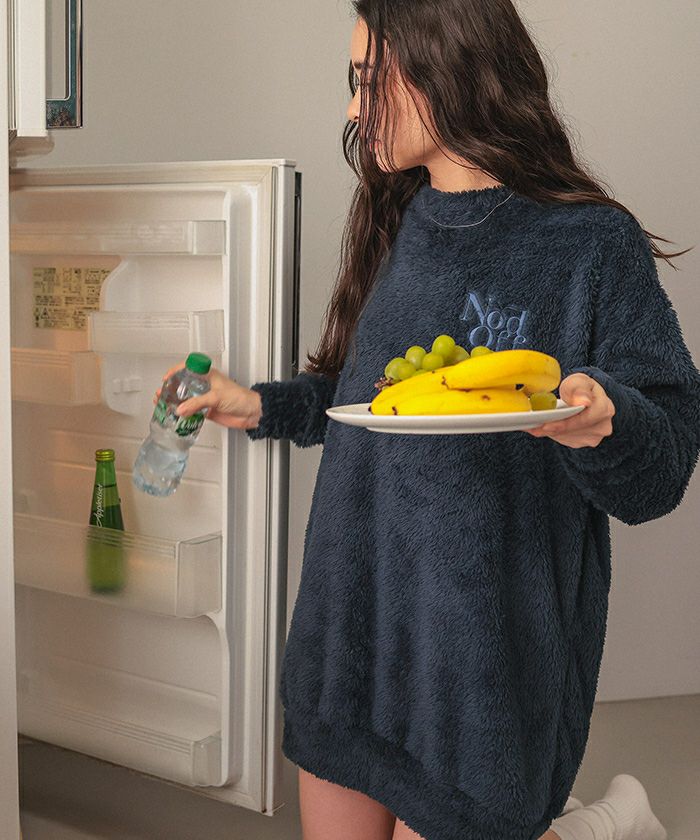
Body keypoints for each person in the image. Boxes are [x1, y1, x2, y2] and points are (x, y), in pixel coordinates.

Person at [157, 2, 699, 838]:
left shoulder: (589, 244)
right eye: (352, 81)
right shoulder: (393, 216)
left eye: (371, 81)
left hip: (479, 676)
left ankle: (605, 825)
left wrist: (606, 421)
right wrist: (258, 404)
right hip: (351, 636)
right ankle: (612, 822)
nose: (352, 107)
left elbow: (662, 469)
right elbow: (371, 398)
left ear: (451, 68)